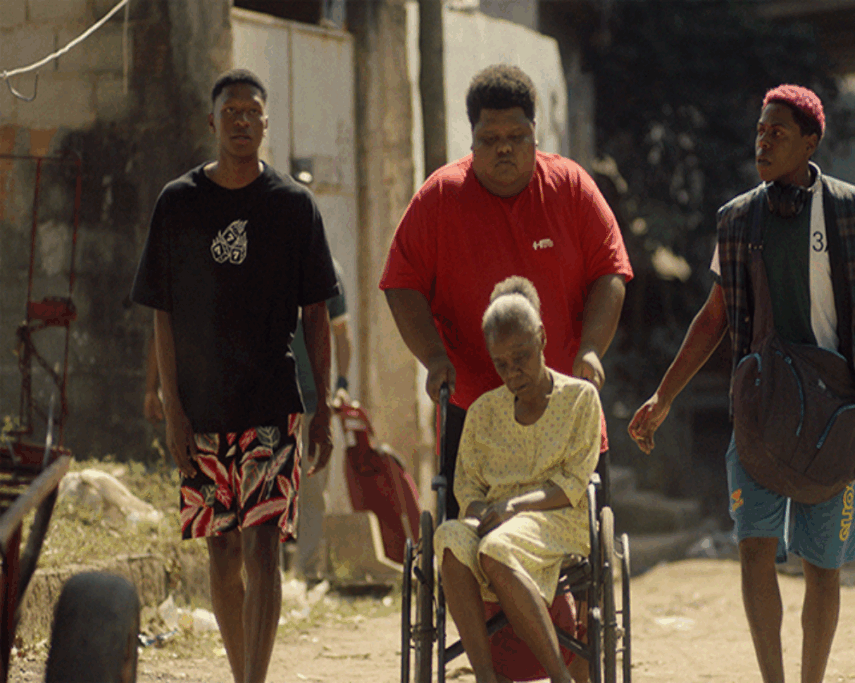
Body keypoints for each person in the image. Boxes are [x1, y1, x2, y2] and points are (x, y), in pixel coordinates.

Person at [628, 84, 855, 683]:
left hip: (837, 415)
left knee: (821, 565)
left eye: (779, 131)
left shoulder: (850, 210)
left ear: (810, 142)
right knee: (754, 545)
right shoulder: (737, 219)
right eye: (760, 130)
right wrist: (663, 396)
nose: (764, 140)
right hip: (758, 412)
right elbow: (713, 318)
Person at [130, 69, 339, 683]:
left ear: (266, 124)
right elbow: (161, 312)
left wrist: (322, 404)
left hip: (272, 404)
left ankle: (254, 679)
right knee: (221, 548)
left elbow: (318, 314)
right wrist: (172, 408)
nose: (242, 121)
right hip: (201, 406)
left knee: (265, 544)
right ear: (212, 122)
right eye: (232, 111)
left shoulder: (293, 206)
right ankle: (238, 667)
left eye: (253, 111)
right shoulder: (179, 202)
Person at [380, 63, 632, 522]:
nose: (503, 149)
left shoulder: (571, 188)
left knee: (579, 538)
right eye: (489, 139)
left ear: (535, 135)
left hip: (563, 403)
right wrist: (435, 358)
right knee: (471, 540)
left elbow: (610, 273)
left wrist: (593, 348)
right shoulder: (440, 198)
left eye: (516, 137)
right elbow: (401, 284)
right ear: (471, 140)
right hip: (474, 410)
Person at [434, 276, 601, 683]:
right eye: (502, 364)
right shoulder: (482, 412)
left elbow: (574, 481)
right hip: (493, 520)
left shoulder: (580, 399)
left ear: (541, 338)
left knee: (495, 548)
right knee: (450, 540)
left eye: (522, 357)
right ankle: (486, 675)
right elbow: (468, 485)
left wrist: (514, 507)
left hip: (559, 517)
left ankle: (560, 676)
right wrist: (479, 512)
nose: (513, 372)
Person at [293, 260, 353, 579]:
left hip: (315, 401)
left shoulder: (327, 271)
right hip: (271, 399)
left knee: (313, 489)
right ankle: (267, 573)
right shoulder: (267, 261)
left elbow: (342, 334)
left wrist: (341, 385)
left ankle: (309, 572)